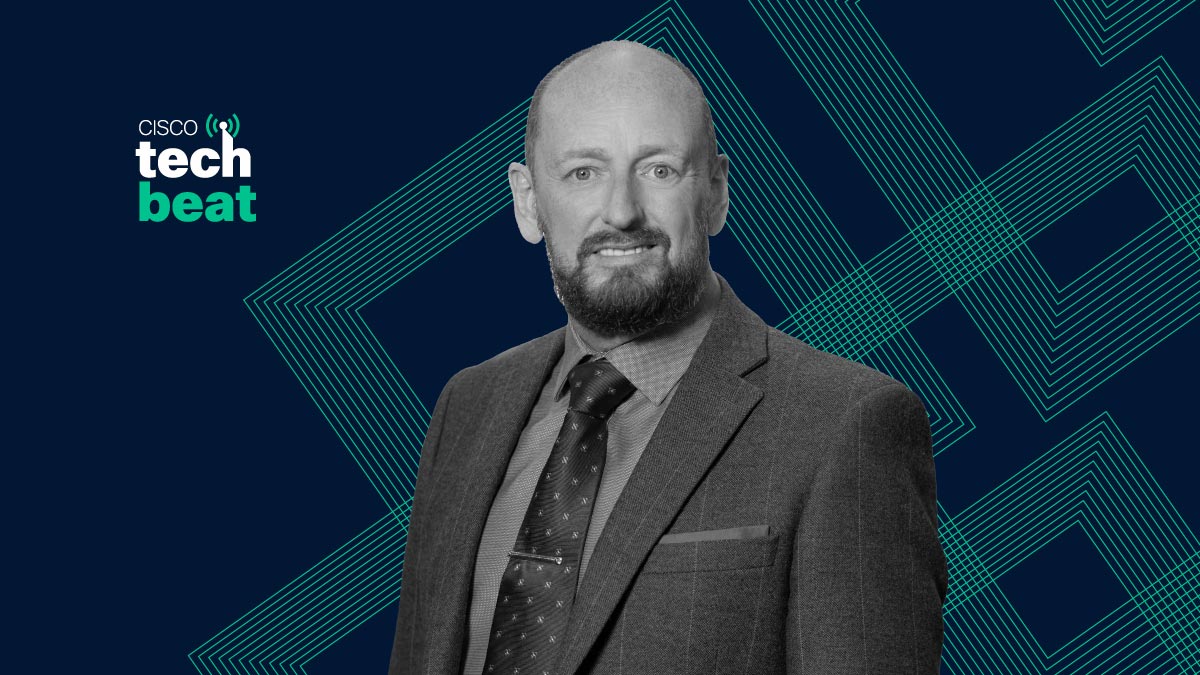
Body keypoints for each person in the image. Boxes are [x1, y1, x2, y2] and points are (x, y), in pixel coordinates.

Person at [387, 40, 947, 675]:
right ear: (527, 200)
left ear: (716, 192)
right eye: (583, 173)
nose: (621, 212)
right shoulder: (467, 406)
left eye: (658, 170)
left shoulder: (847, 424)